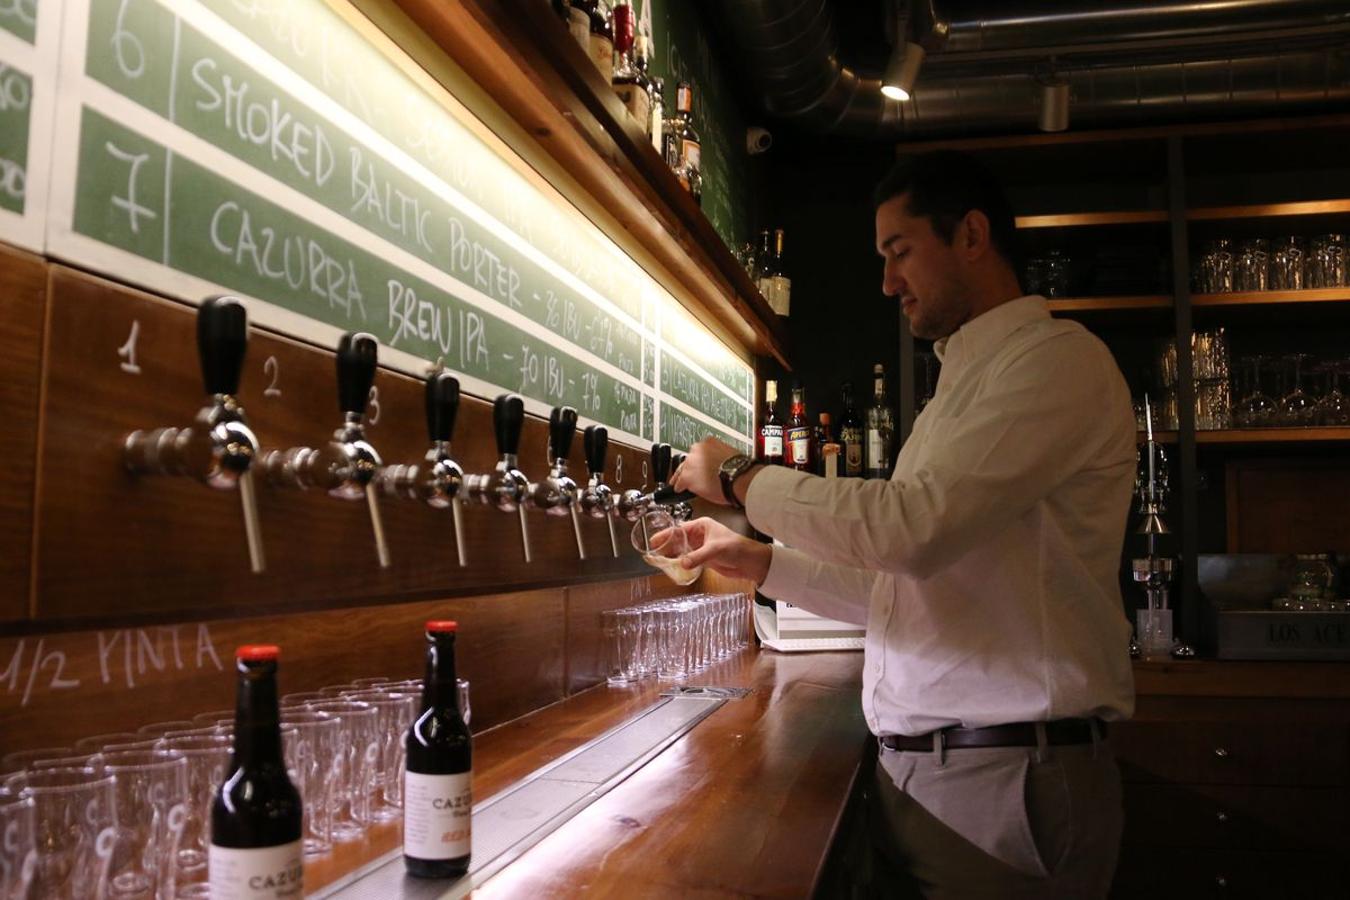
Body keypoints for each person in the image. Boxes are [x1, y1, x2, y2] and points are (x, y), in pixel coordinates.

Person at [668, 150, 1136, 898]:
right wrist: (755, 561)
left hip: (1005, 784)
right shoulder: (965, 383)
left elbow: (906, 530)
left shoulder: (1054, 364)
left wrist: (739, 476)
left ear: (973, 236)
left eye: (900, 252)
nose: (887, 283)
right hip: (951, 776)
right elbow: (902, 584)